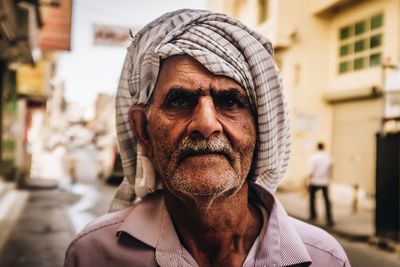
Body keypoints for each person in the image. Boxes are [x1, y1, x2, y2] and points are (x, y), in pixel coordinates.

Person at [64, 9, 350, 267]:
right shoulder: (92, 255)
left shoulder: (325, 258)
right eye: (179, 101)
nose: (206, 123)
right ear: (143, 130)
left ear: (261, 127)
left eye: (230, 101)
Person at [308, 142, 334, 227]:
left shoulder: (314, 157)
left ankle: (313, 215)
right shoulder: (327, 157)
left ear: (317, 147)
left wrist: (308, 180)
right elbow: (331, 167)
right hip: (324, 181)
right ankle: (329, 219)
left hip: (315, 181)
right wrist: (330, 176)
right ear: (324, 147)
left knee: (312, 199)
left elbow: (311, 171)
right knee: (327, 200)